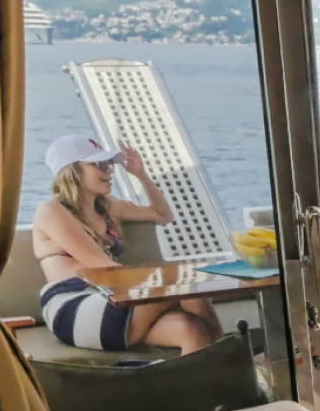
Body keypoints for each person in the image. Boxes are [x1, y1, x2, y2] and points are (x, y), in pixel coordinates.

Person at [32, 135, 217, 355]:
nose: (110, 169)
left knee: (191, 329)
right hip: (75, 305)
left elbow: (162, 215)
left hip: (115, 298)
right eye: (100, 164)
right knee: (183, 284)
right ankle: (231, 360)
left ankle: (218, 372)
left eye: (109, 163)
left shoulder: (108, 207)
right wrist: (166, 277)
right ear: (73, 171)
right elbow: (102, 267)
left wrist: (141, 175)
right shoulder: (51, 210)